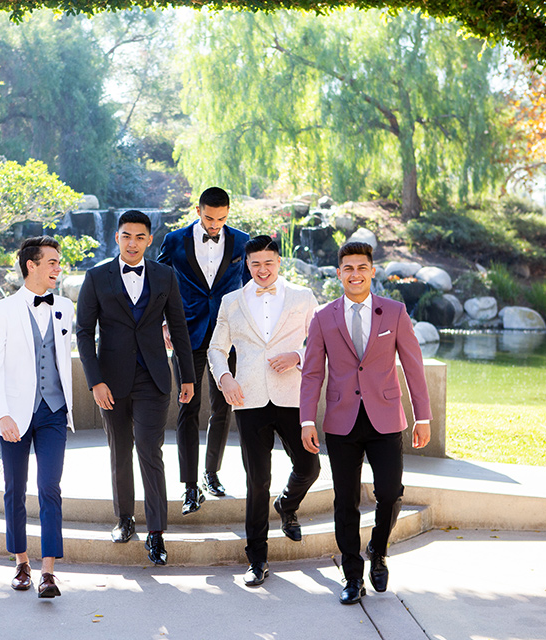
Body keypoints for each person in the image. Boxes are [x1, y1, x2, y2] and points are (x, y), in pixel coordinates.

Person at [300, 241, 432, 605]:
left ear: (372, 271)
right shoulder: (323, 316)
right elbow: (311, 373)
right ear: (339, 273)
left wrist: (423, 416)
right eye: (348, 268)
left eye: (362, 267)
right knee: (345, 500)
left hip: (386, 419)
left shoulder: (394, 312)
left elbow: (414, 366)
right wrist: (307, 419)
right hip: (341, 422)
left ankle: (379, 548)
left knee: (390, 493)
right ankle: (353, 575)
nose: (355, 274)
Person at [76, 209, 195, 566]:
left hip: (154, 378)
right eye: (127, 236)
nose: (133, 243)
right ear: (117, 237)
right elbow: (84, 332)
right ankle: (124, 518)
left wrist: (187, 376)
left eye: (140, 237)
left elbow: (179, 326)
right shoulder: (97, 276)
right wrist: (95, 381)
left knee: (149, 448)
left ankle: (156, 533)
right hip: (110, 380)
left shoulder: (165, 276)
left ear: (149, 240)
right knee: (120, 449)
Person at [208, 235, 320, 586]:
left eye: (268, 263)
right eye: (255, 264)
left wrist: (298, 357)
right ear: (246, 265)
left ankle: (287, 506)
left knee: (309, 466)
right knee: (257, 481)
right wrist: (225, 378)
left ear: (279, 263)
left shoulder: (302, 297)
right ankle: (257, 558)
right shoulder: (231, 301)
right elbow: (215, 348)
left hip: (292, 396)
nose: (262, 270)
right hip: (249, 400)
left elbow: (319, 343)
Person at [0, 236, 74, 598]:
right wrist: (1, 414)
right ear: (30, 265)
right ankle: (21, 562)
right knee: (14, 489)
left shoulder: (64, 306)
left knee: (50, 487)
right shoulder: (1, 311)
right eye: (51, 262)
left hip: (53, 411)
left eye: (58, 262)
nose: (58, 268)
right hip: (15, 415)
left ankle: (48, 571)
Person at [158, 186, 250, 515]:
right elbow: (159, 282)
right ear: (198, 210)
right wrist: (163, 324)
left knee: (223, 407)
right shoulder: (174, 241)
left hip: (229, 337)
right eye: (210, 218)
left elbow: (253, 285)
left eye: (222, 219)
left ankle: (212, 474)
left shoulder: (241, 241)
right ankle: (189, 486)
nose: (215, 225)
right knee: (188, 407)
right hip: (187, 334)